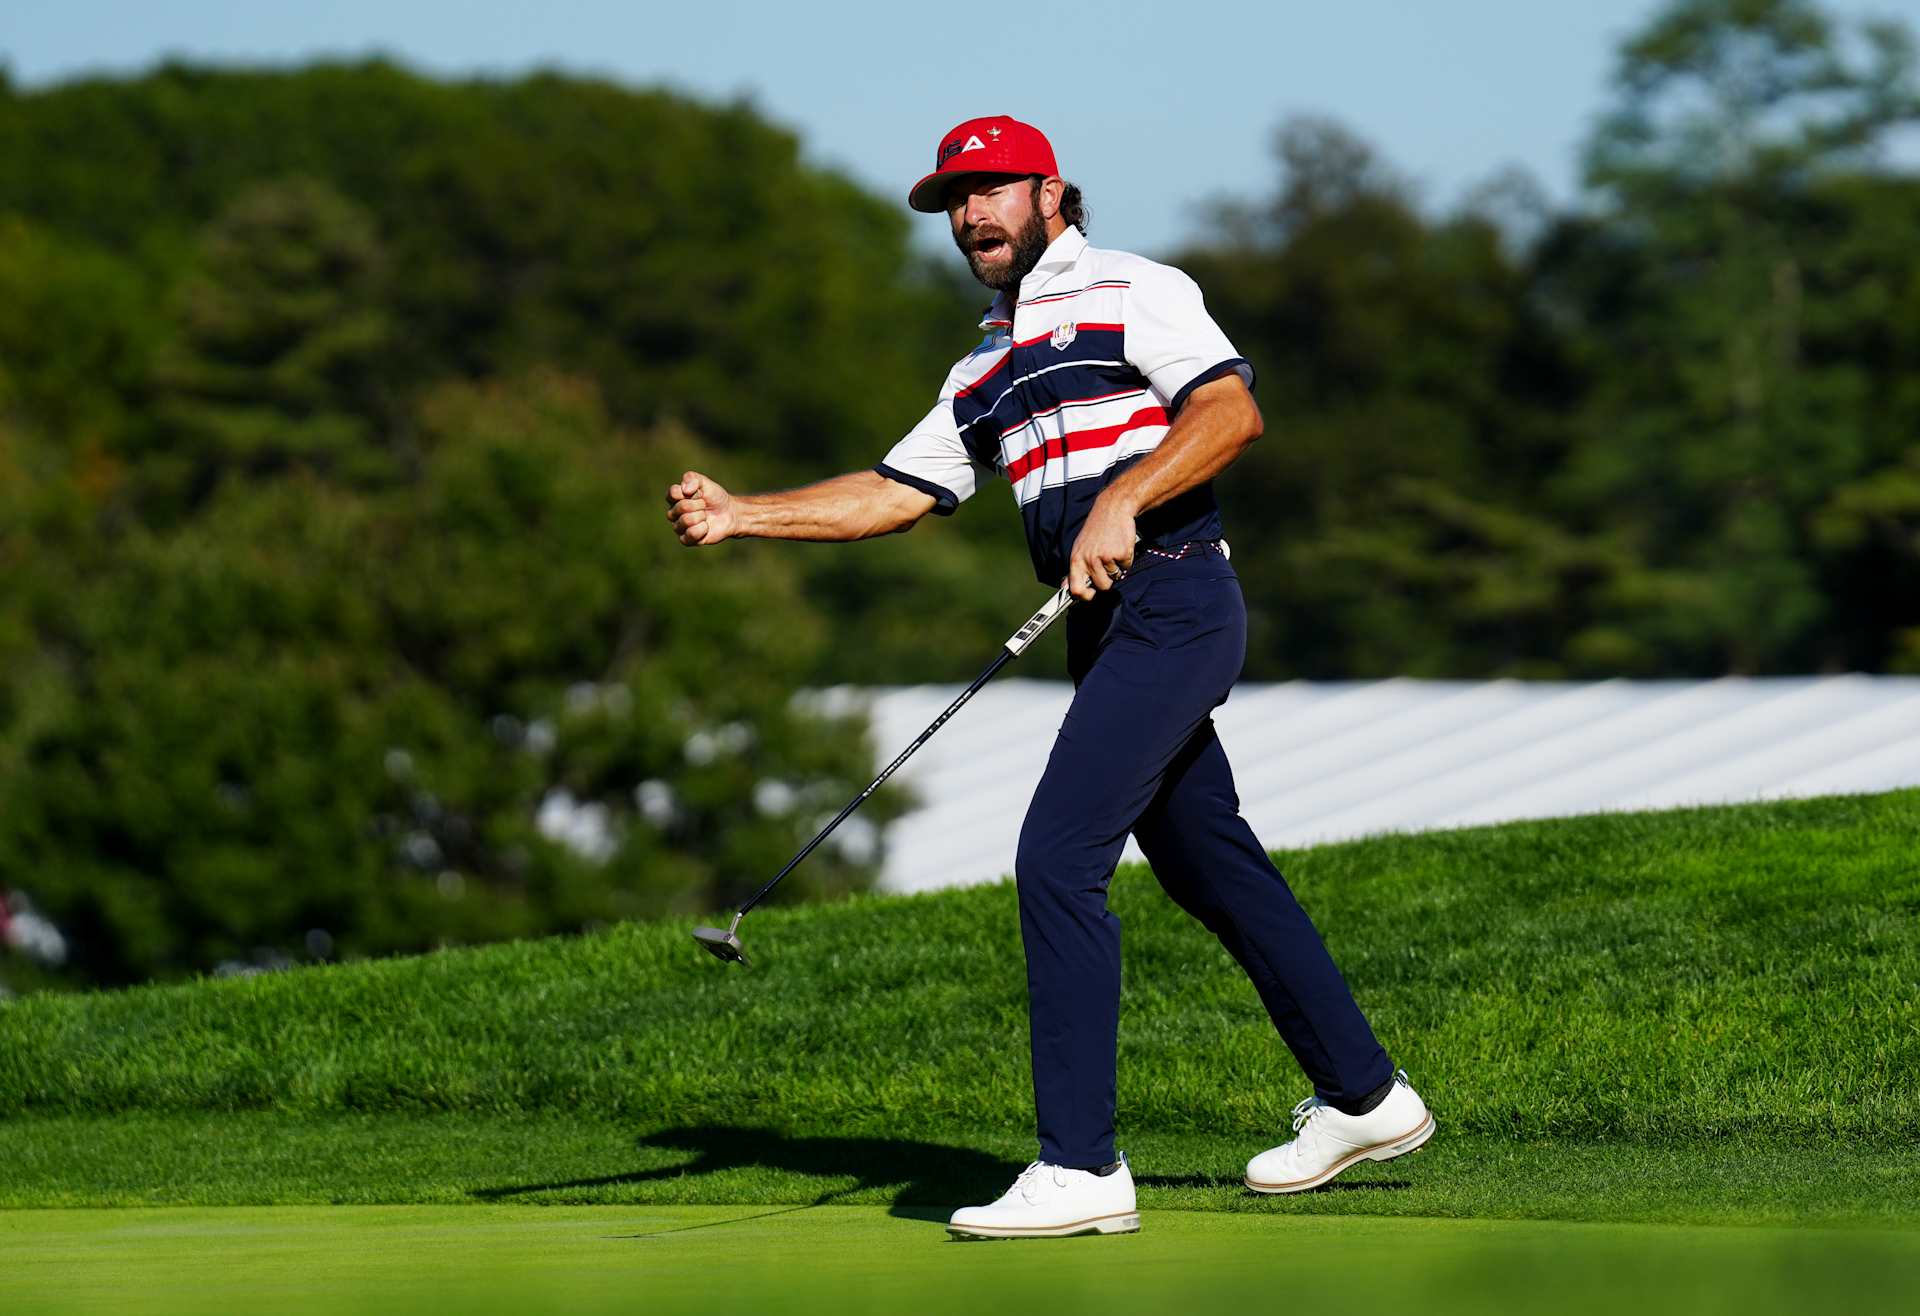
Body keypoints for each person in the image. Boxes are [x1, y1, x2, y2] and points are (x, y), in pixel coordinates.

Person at [665, 115, 1433, 1239]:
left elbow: (1230, 410)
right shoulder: (984, 363)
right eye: (952, 201)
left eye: (991, 190)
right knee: (1209, 863)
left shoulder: (1133, 287)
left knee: (1058, 859)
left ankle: (1081, 1165)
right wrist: (746, 515)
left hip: (1174, 596)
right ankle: (1368, 1095)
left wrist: (1125, 497)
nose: (971, 214)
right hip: (1104, 629)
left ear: (1052, 193)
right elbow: (899, 488)